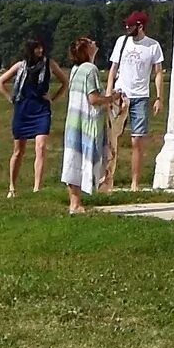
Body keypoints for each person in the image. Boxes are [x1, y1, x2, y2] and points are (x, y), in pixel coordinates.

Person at [0, 35, 63, 196]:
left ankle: (37, 188)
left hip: (41, 108)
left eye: (41, 47)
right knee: (18, 150)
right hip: (23, 108)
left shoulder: (49, 64)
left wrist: (53, 98)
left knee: (41, 147)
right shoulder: (20, 66)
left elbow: (64, 82)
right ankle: (12, 187)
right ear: (30, 49)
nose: (40, 51)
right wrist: (10, 98)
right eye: (36, 48)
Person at [107, 8, 166, 191]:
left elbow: (158, 73)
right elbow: (113, 69)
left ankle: (135, 183)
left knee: (137, 141)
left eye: (131, 25)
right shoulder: (121, 42)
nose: (127, 27)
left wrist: (159, 97)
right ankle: (107, 179)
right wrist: (109, 92)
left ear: (140, 26)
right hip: (121, 94)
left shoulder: (153, 46)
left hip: (140, 96)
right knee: (111, 138)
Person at [61, 33, 112, 213]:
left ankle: (74, 202)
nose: (94, 42)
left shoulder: (76, 69)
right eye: (91, 42)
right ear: (86, 49)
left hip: (74, 120)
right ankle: (78, 203)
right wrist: (113, 98)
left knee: (72, 159)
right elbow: (93, 98)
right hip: (86, 121)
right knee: (85, 157)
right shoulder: (90, 69)